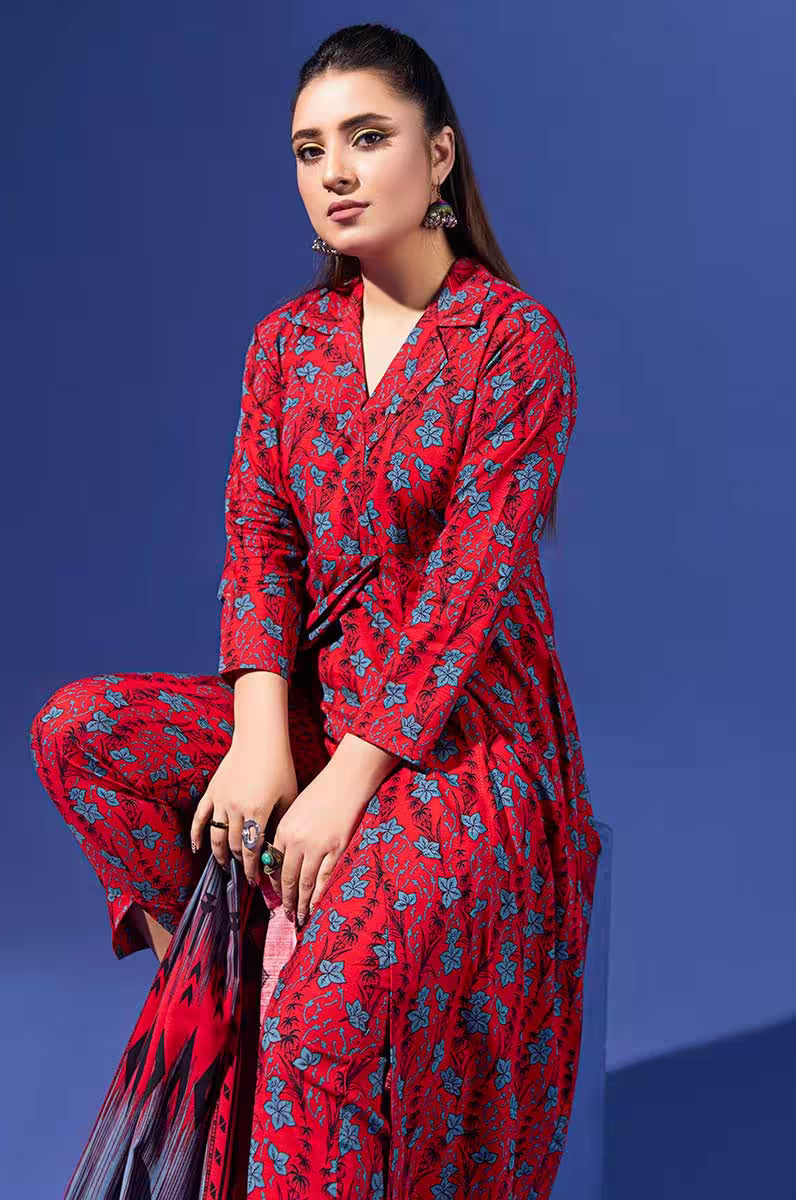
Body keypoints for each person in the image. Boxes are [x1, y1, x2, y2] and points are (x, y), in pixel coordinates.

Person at [30, 21, 602, 1200]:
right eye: (308, 148)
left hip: (468, 743)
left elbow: (467, 590)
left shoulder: (515, 342)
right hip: (311, 710)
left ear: (439, 156)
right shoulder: (286, 348)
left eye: (367, 137)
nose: (334, 171)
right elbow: (262, 547)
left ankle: (297, 1013)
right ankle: (228, 980)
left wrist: (344, 784)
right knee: (78, 732)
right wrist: (258, 742)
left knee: (329, 1016)